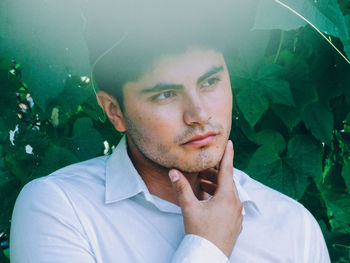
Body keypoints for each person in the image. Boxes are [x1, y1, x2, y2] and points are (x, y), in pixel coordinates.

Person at [10, 1, 330, 262]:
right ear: (114, 111)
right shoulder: (62, 209)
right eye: (166, 94)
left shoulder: (293, 226)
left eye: (210, 82)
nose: (199, 114)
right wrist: (208, 248)